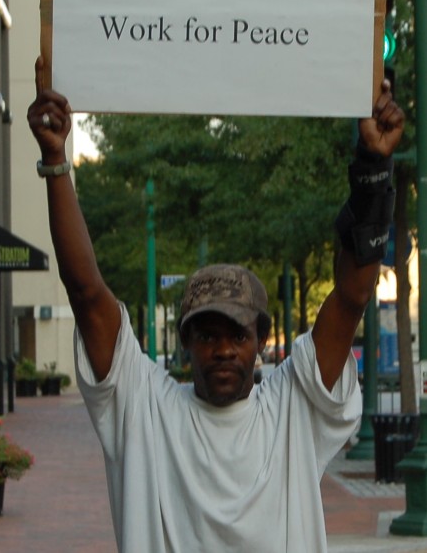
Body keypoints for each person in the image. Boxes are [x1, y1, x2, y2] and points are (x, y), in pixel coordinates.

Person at [28, 56, 404, 553]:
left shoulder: (292, 408)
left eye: (237, 333)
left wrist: (373, 167)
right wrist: (56, 162)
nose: (223, 349)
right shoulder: (144, 409)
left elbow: (353, 297)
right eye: (207, 335)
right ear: (185, 343)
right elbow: (86, 293)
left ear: (261, 341)